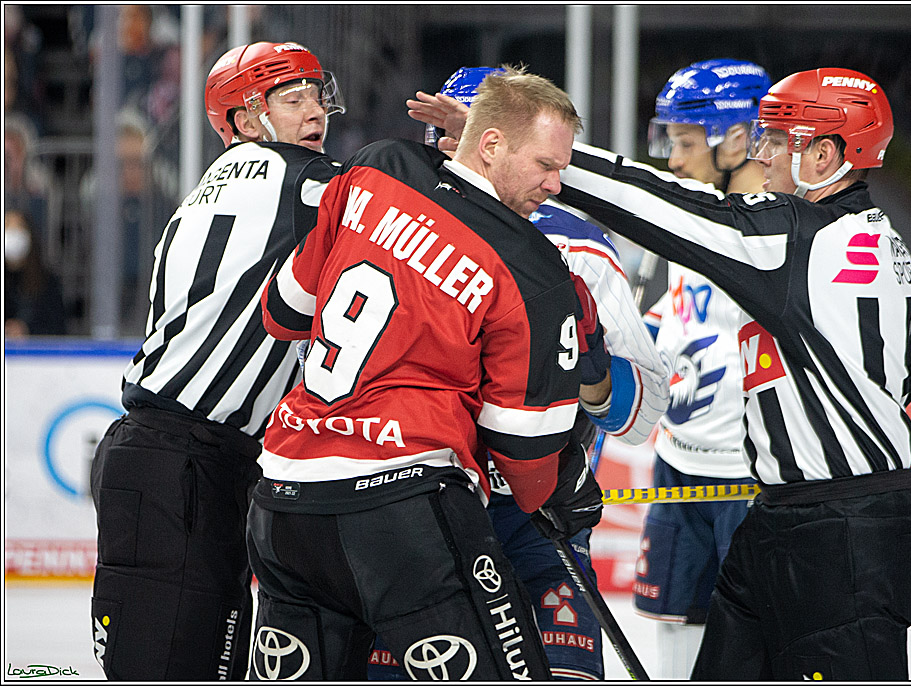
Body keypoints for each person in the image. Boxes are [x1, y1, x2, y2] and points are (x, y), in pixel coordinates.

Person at [409, 65, 911, 680]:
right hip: (805, 517)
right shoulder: (885, 244)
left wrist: (534, 147)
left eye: (776, 140)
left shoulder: (791, 236)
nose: (761, 155)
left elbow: (660, 204)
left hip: (838, 536)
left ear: (823, 155)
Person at [248, 64, 606, 681]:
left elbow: (283, 311)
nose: (556, 184)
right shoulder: (535, 268)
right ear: (490, 144)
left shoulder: (375, 166)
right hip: (403, 509)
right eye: (547, 165)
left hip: (284, 497)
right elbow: (523, 453)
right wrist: (566, 494)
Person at [366, 66, 668, 681]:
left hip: (531, 521)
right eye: (446, 140)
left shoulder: (576, 247)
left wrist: (589, 370)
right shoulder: (389, 225)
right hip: (421, 512)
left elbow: (641, 412)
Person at [89, 41, 345, 680]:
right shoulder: (299, 180)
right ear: (244, 119)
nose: (315, 113)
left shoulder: (204, 193)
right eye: (293, 100)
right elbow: (409, 202)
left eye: (317, 96)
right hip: (181, 465)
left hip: (182, 461)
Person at [633, 58, 770, 679]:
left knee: (757, 639)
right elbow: (685, 314)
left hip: (752, 478)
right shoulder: (696, 222)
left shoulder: (776, 236)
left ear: (739, 140)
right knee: (669, 625)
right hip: (678, 463)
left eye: (686, 142)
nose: (674, 158)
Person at [4, 208, 67, 337]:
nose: (12, 233)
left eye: (19, 227)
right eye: (7, 226)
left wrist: (27, 330)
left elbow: (58, 328)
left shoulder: (48, 282)